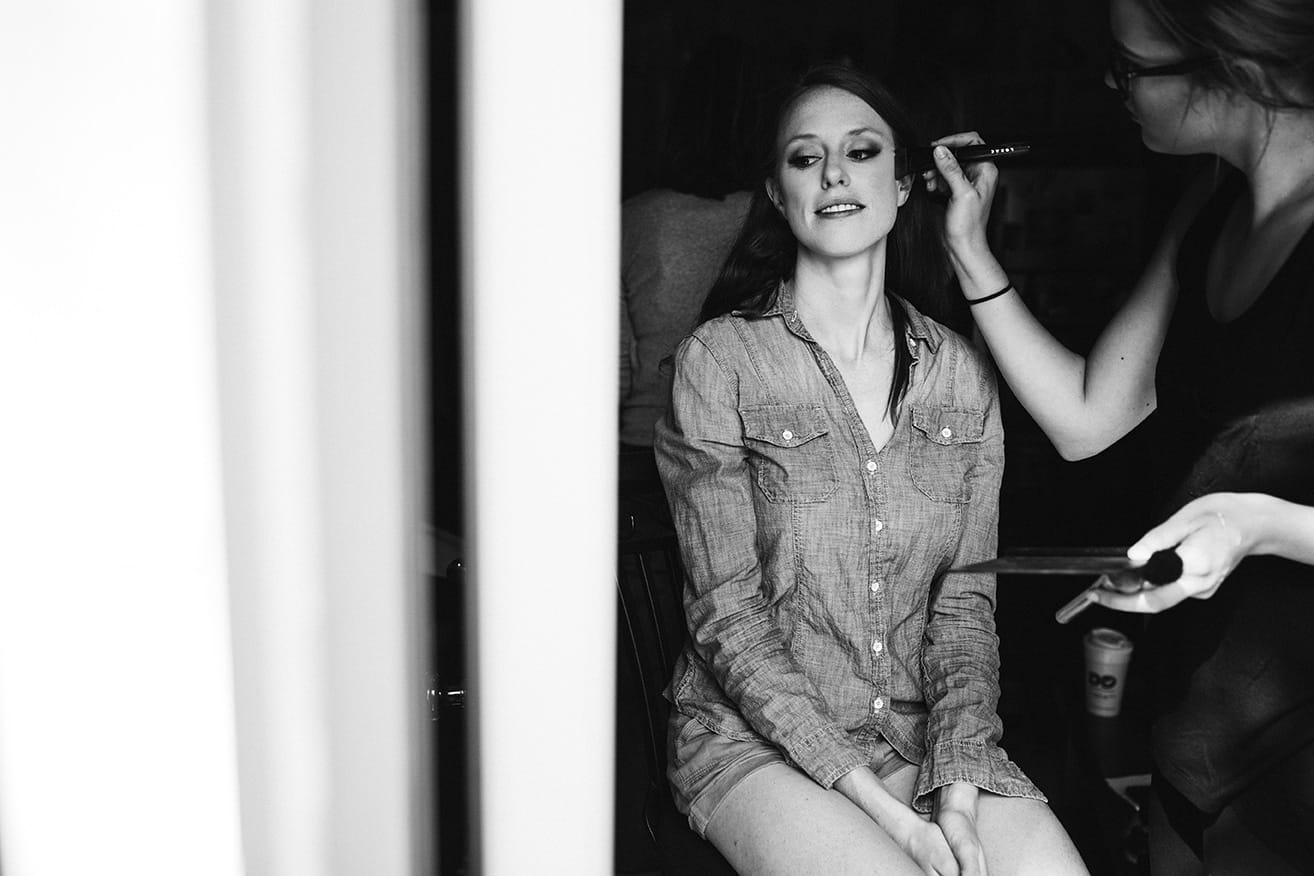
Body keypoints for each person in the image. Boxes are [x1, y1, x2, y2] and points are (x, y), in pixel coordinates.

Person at [653, 64, 1087, 876]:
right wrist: (894, 817)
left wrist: (955, 795)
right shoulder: (722, 360)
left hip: (922, 735)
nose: (835, 173)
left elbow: (964, 609)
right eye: (805, 158)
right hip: (754, 741)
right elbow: (728, 620)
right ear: (778, 197)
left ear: (901, 186)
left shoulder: (962, 374)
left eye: (860, 151)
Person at [925, 0, 1314, 869]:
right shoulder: (1206, 206)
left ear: (1232, 69)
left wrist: (1261, 525)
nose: (1112, 83)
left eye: (1131, 66)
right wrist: (968, 250)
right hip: (1196, 735)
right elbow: (1087, 419)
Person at [620, 35, 763, 450]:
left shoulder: (635, 219)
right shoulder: (783, 218)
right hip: (750, 456)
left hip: (642, 449)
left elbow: (613, 373)